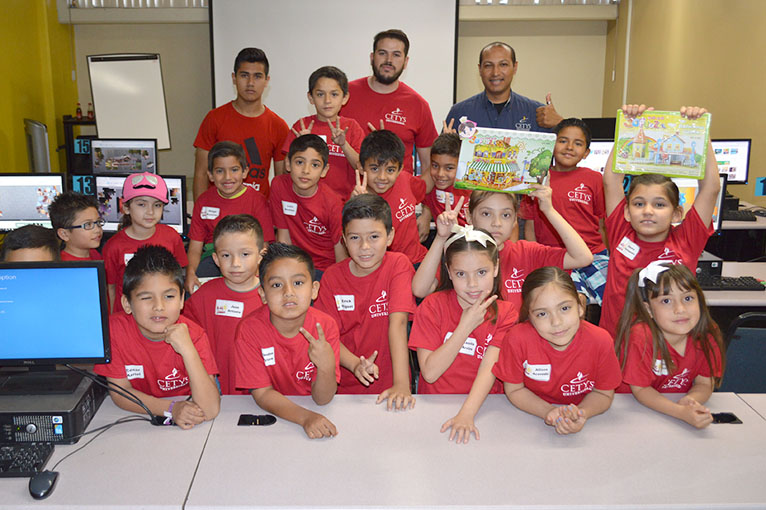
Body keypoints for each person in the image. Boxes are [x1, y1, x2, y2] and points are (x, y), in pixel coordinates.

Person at [599, 104, 720, 336]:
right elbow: (611, 182)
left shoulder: (687, 239)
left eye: (659, 204)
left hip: (667, 343)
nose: (648, 211)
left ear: (676, 214)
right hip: (618, 343)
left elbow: (711, 188)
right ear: (626, 211)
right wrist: (629, 127)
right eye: (639, 203)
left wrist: (700, 132)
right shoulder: (620, 232)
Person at [94, 245, 220, 430]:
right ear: (127, 304)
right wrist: (170, 408)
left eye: (169, 296)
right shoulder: (113, 331)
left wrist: (187, 350)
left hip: (190, 415)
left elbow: (209, 409)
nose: (159, 306)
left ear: (181, 300)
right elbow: (121, 394)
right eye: (146, 298)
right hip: (139, 419)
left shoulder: (194, 334)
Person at [412, 188, 592, 311]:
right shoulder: (458, 253)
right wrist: (441, 238)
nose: (496, 223)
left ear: (515, 220)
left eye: (505, 215)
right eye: (486, 213)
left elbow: (582, 257)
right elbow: (420, 289)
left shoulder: (527, 252)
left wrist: (549, 210)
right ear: (468, 216)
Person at [314, 194, 416, 410]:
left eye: (374, 237)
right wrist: (355, 364)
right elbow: (327, 337)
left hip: (393, 387)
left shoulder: (398, 265)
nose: (364, 246)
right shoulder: (332, 277)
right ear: (343, 238)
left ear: (389, 237)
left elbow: (398, 324)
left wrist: (401, 384)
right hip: (345, 390)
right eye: (354, 238)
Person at [493, 266, 622, 435]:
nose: (556, 322)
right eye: (542, 314)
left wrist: (581, 414)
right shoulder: (516, 339)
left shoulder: (601, 340)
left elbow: (603, 393)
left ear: (580, 306)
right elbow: (515, 389)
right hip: (526, 422)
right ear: (530, 316)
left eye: (564, 308)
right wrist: (548, 411)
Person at [234, 243, 341, 439]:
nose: (288, 292)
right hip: (267, 417)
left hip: (315, 412)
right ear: (263, 294)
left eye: (298, 283)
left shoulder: (325, 326)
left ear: (314, 289)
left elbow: (323, 399)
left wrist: (326, 366)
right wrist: (305, 418)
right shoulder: (249, 330)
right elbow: (263, 394)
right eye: (276, 285)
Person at [409, 224, 517, 395]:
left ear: (495, 268)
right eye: (461, 274)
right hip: (435, 404)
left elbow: (488, 372)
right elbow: (430, 373)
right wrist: (466, 326)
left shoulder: (507, 313)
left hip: (485, 405)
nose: (472, 283)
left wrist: (467, 414)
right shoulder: (432, 306)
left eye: (481, 272)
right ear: (449, 272)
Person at [615, 262, 725, 428]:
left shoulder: (708, 334)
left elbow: (704, 383)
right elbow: (641, 391)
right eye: (666, 301)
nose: (680, 309)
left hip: (670, 413)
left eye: (688, 298)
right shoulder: (641, 337)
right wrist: (680, 412)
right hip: (632, 412)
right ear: (649, 310)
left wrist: (690, 401)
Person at [521, 118, 608, 307]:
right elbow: (530, 226)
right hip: (557, 257)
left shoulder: (594, 179)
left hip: (595, 254)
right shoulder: (537, 179)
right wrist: (534, 259)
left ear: (586, 153)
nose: (569, 147)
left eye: (578, 143)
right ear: (552, 144)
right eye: (563, 141)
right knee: (575, 303)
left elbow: (602, 224)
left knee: (616, 297)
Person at [342, 29, 438, 188]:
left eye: (396, 55)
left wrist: (411, 197)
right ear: (372, 57)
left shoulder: (418, 105)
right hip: (348, 202)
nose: (388, 60)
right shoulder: (344, 95)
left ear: (406, 62)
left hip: (396, 207)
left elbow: (429, 166)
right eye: (382, 53)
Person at [184, 214, 266, 395]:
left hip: (265, 390)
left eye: (245, 254)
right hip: (217, 390)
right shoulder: (205, 295)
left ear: (261, 255)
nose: (235, 263)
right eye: (226, 255)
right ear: (215, 259)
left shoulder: (272, 296)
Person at [193, 47, 290, 199]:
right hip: (219, 211)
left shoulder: (278, 126)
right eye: (244, 75)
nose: (250, 83)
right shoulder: (214, 119)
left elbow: (281, 182)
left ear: (266, 81)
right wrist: (202, 215)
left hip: (257, 215)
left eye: (257, 76)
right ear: (234, 78)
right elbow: (200, 173)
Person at [186, 141, 275, 293]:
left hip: (248, 258)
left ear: (245, 172)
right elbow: (195, 247)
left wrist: (257, 271)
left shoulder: (257, 201)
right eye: (220, 171)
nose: (227, 177)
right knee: (194, 291)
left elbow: (264, 246)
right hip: (213, 258)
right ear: (210, 175)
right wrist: (190, 273)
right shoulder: (203, 201)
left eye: (234, 170)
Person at [103, 173, 188, 314]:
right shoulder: (113, 247)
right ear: (126, 208)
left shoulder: (171, 236)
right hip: (127, 318)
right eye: (142, 204)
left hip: (161, 313)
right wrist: (111, 321)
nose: (150, 212)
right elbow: (110, 289)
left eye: (157, 205)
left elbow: (178, 278)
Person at [281, 66, 364, 199]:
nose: (327, 100)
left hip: (344, 202)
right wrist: (301, 145)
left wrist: (344, 145)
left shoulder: (351, 127)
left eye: (334, 94)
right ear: (311, 97)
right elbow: (285, 170)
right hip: (307, 203)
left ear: (345, 98)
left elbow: (362, 167)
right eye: (320, 94)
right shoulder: (301, 126)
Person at [269, 134, 346, 278]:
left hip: (324, 268)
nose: (306, 170)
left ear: (324, 170)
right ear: (287, 164)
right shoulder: (279, 185)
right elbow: (283, 236)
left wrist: (337, 282)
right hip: (294, 263)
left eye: (315, 165)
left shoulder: (333, 202)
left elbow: (340, 251)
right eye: (299, 162)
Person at [444, 42, 562, 132]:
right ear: (480, 69)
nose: (495, 73)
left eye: (503, 65)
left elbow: (572, 153)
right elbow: (442, 158)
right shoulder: (459, 112)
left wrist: (561, 123)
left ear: (515, 67)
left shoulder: (537, 113)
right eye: (488, 65)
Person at [352, 130, 427, 266]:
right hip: (383, 268)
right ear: (361, 168)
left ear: (400, 169)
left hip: (417, 260)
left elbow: (426, 192)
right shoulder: (357, 199)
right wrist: (356, 206)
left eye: (390, 170)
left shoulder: (406, 180)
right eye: (374, 169)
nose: (382, 177)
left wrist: (427, 215)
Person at [418, 132, 472, 240]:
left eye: (449, 168)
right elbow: (417, 190)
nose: (440, 174)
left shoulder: (473, 188)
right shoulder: (432, 188)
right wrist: (426, 214)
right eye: (435, 166)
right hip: (445, 247)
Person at [49, 191, 104, 261]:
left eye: (98, 222)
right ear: (64, 234)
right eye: (87, 224)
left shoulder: (94, 253)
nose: (97, 230)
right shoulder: (64, 266)